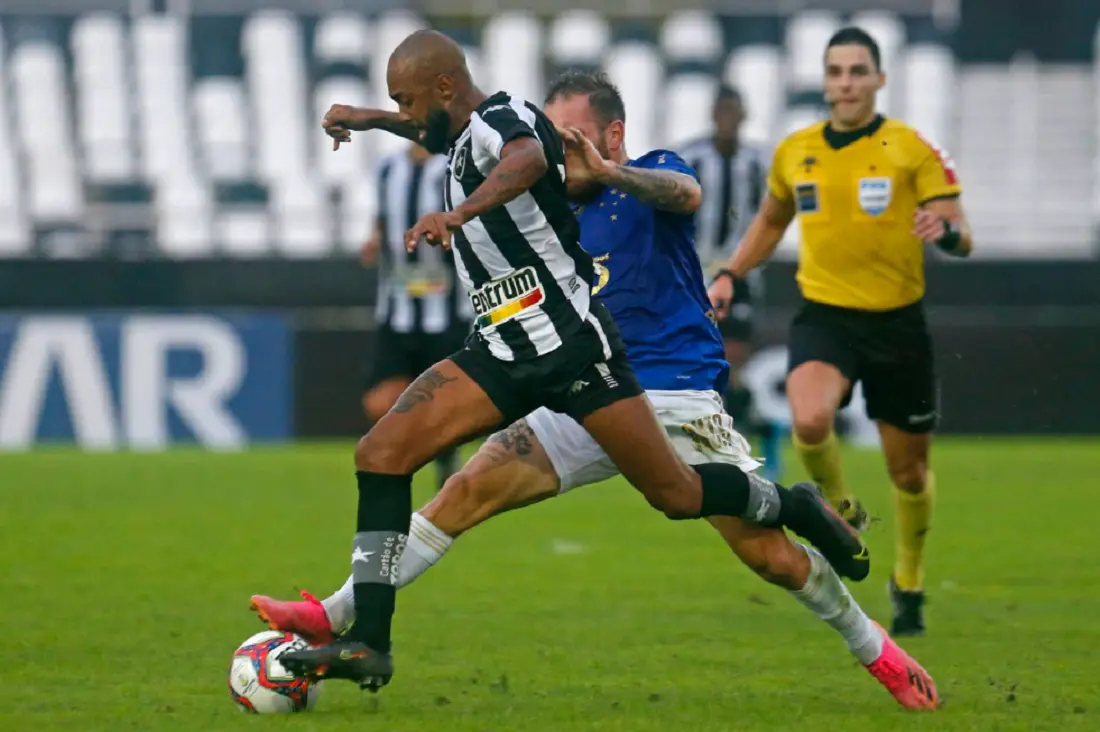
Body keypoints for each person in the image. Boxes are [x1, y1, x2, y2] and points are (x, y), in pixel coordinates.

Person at [253, 71, 939, 710]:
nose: (559, 153)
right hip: (574, 384)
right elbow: (455, 134)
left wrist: (611, 173)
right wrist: (375, 120)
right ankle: (335, 615)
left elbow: (687, 195)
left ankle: (875, 648)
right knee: (462, 493)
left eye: (572, 138)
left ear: (612, 135)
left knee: (768, 556)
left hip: (672, 392)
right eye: (549, 140)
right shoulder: (544, 203)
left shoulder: (651, 176)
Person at [708, 26, 973, 637]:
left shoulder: (911, 148)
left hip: (898, 325)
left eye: (858, 71)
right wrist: (729, 274)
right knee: (808, 421)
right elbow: (770, 221)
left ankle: (909, 579)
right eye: (836, 72)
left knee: (909, 474)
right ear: (825, 81)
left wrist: (946, 231)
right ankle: (842, 512)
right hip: (826, 316)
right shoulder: (796, 151)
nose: (846, 83)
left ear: (879, 79)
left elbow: (961, 233)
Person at [360, 142, 472, 490]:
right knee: (379, 402)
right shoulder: (388, 168)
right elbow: (383, 217)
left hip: (446, 312)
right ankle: (415, 455)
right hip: (397, 310)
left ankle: (442, 458)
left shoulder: (453, 168)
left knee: (443, 400)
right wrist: (375, 239)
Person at [679, 86, 778, 473]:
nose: (726, 120)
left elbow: (772, 215)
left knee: (733, 360)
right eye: (721, 111)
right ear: (712, 114)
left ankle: (752, 433)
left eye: (732, 112)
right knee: (701, 361)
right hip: (696, 272)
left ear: (743, 115)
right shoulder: (690, 157)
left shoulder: (758, 162)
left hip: (740, 273)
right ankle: (723, 440)